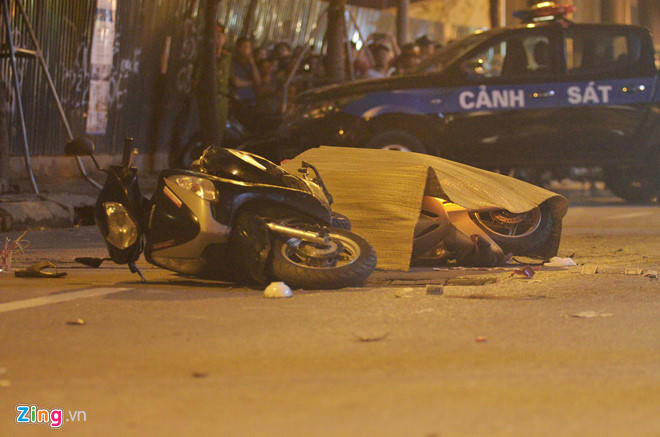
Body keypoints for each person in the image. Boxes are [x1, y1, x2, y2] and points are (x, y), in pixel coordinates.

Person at [230, 37, 261, 107]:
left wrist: (252, 64)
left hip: (250, 101)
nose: (249, 50)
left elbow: (258, 81)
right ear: (239, 48)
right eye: (246, 47)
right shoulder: (231, 63)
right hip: (237, 100)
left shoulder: (251, 64)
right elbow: (236, 82)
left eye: (249, 47)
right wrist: (252, 83)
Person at [214, 24, 232, 141]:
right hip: (208, 99)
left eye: (220, 36)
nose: (218, 39)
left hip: (222, 101)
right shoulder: (206, 57)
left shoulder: (228, 58)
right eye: (215, 36)